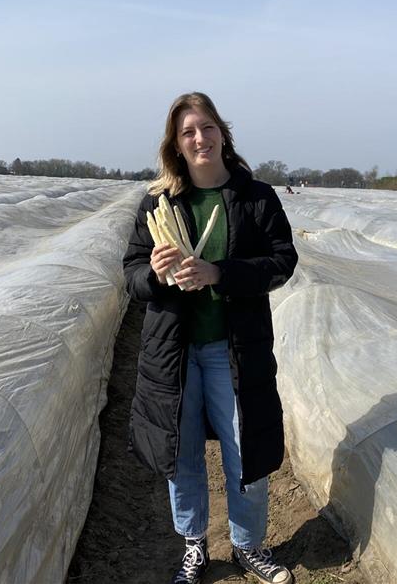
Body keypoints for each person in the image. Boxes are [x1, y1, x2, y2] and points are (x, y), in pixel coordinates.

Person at [122, 92, 299, 584]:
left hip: (232, 349)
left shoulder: (256, 197)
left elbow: (283, 261)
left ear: (222, 132)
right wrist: (156, 274)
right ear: (175, 145)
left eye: (207, 127)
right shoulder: (157, 203)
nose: (199, 138)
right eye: (187, 132)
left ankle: (247, 545)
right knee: (182, 453)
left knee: (245, 450)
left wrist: (219, 273)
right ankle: (194, 545)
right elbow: (131, 275)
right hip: (173, 352)